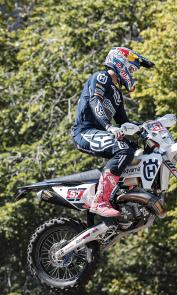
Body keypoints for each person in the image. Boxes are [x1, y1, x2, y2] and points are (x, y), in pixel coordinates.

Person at [70, 46, 154, 217]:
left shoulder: (116, 94)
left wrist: (147, 127)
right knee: (124, 149)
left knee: (134, 149)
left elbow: (124, 122)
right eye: (131, 68)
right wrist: (109, 127)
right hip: (85, 131)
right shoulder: (102, 77)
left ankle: (123, 197)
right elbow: (95, 101)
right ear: (119, 63)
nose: (132, 73)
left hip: (99, 132)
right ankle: (100, 201)